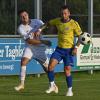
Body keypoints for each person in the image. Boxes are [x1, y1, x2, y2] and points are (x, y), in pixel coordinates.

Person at [42, 5, 82, 96]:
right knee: (50, 66)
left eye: (65, 13)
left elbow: (80, 36)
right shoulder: (57, 21)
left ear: (69, 14)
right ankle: (52, 85)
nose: (63, 15)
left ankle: (69, 90)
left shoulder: (74, 23)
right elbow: (48, 23)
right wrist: (40, 29)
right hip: (59, 49)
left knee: (67, 70)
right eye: (62, 13)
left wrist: (76, 47)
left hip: (69, 50)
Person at [14, 10, 51, 91]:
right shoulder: (20, 28)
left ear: (28, 15)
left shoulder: (37, 21)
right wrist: (43, 41)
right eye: (22, 16)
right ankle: (22, 84)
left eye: (25, 15)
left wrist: (40, 29)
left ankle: (52, 85)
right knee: (23, 61)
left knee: (48, 69)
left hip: (40, 48)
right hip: (30, 47)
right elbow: (29, 41)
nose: (24, 17)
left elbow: (46, 25)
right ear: (20, 18)